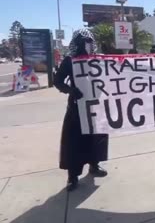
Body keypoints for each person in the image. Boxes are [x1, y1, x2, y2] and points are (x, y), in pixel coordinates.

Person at [54, 29, 109, 191]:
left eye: (90, 42)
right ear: (76, 43)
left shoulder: (98, 60)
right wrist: (70, 90)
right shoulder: (70, 61)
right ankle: (72, 176)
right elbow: (58, 81)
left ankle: (94, 165)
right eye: (84, 42)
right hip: (76, 109)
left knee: (96, 138)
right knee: (74, 142)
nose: (87, 45)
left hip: (96, 107)